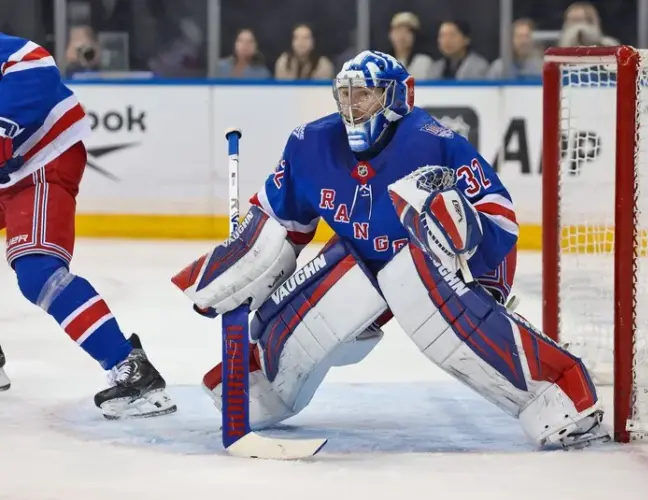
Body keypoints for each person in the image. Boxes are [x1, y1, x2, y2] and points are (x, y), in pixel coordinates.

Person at [172, 50, 607, 449]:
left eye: (365, 95)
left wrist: (461, 231)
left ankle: (556, 390)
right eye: (345, 95)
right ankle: (262, 387)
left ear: (397, 96)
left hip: (440, 267)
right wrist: (243, 258)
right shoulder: (310, 145)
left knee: (409, 280)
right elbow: (278, 221)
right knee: (337, 284)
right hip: (362, 262)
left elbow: (500, 220)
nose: (352, 107)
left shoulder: (434, 143)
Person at [0, 33, 175, 419]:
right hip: (8, 172)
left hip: (43, 159)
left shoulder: (11, 54)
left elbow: (35, 62)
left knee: (39, 274)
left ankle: (132, 370)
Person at [388, 12, 432, 80]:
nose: (402, 37)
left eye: (407, 32)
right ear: (390, 35)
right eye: (398, 31)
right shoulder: (383, 63)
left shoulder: (423, 62)